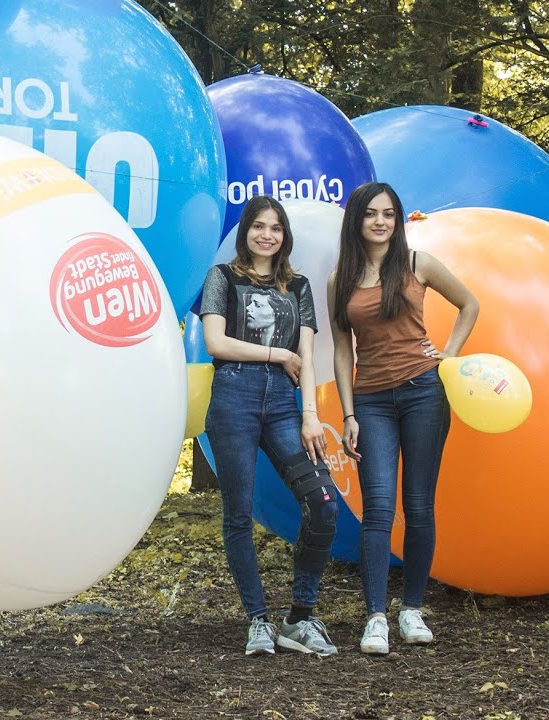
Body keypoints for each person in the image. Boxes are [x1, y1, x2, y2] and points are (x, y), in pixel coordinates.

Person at [326, 182, 479, 655]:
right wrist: (348, 413)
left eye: (389, 214)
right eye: (371, 214)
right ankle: (376, 617)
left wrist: (447, 356)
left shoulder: (418, 265)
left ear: (397, 220)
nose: (381, 222)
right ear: (357, 220)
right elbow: (340, 349)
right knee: (377, 509)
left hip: (422, 395)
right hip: (370, 402)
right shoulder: (340, 281)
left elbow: (469, 304)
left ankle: (411, 609)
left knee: (418, 505)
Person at [199, 194, 340, 657]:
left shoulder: (297, 286)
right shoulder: (222, 278)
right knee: (237, 515)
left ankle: (299, 617)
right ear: (246, 232)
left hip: (283, 404)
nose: (267, 234)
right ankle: (257, 621)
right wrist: (277, 354)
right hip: (234, 400)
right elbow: (216, 343)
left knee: (323, 506)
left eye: (275, 228)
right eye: (259, 226)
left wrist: (310, 415)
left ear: (285, 235)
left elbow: (309, 355)